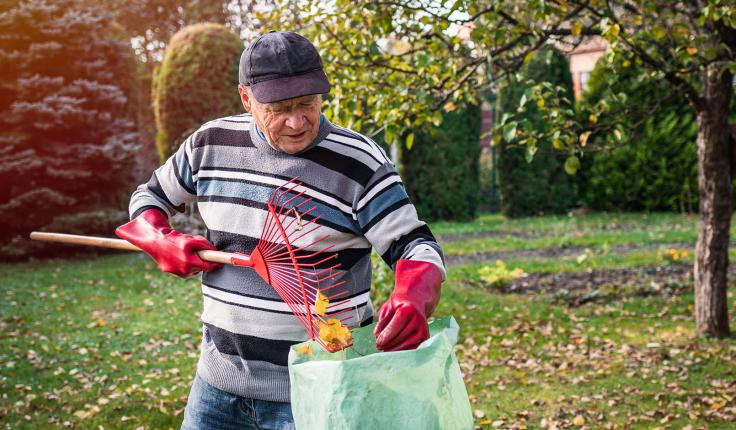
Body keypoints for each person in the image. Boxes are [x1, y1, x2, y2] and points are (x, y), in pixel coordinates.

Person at [115, 30, 446, 429]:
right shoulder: (210, 144)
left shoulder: (359, 163)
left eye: (307, 103)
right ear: (245, 98)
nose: (297, 121)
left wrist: (415, 293)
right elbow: (149, 196)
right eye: (279, 107)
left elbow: (416, 245)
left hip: (319, 389)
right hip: (217, 389)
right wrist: (157, 238)